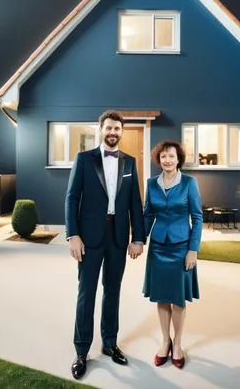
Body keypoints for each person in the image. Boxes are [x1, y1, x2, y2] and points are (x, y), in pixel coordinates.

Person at [65, 110, 145, 380]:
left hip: (118, 237)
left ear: (121, 132)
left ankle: (109, 343)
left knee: (113, 291)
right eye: (108, 128)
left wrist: (138, 237)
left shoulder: (131, 163)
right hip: (88, 238)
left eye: (117, 129)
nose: (113, 132)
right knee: (86, 293)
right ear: (101, 129)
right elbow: (71, 198)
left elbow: (135, 202)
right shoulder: (84, 159)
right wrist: (72, 234)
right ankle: (81, 351)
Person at [143, 140, 203, 369]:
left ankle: (177, 343)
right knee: (161, 296)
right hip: (158, 247)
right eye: (163, 157)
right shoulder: (151, 183)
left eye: (171, 156)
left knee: (177, 298)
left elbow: (197, 218)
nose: (167, 160)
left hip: (181, 247)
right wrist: (139, 239)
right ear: (158, 160)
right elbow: (148, 214)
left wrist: (193, 250)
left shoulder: (189, 183)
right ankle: (164, 342)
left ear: (178, 159)